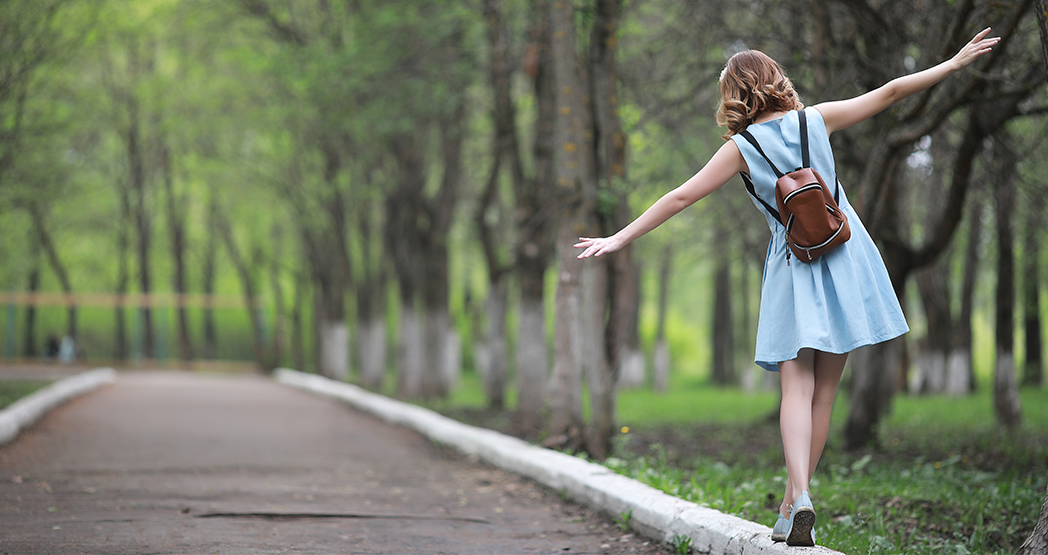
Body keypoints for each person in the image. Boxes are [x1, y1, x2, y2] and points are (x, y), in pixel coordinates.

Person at [575, 28, 999, 547]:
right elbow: (889, 92)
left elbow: (680, 197)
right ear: (777, 81)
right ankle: (796, 495)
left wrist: (619, 237)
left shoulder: (739, 148)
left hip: (792, 267)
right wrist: (953, 64)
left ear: (734, 95)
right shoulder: (814, 120)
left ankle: (795, 498)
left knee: (794, 391)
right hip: (846, 256)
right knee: (824, 396)